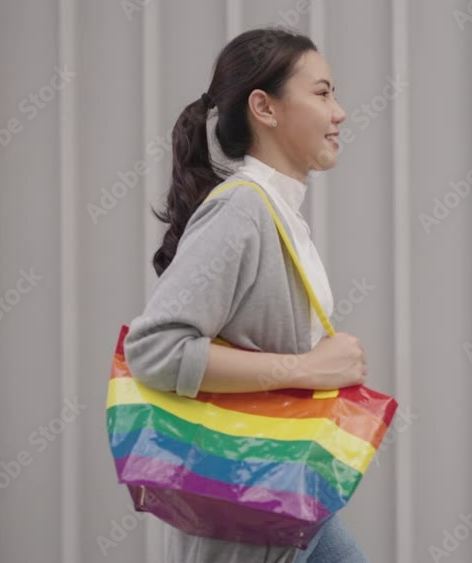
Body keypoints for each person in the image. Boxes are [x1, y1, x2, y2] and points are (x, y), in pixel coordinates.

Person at [122, 27, 369, 563]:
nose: (340, 112)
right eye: (322, 93)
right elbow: (154, 349)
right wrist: (308, 369)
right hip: (249, 517)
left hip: (288, 500)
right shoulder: (241, 209)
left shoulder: (275, 212)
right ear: (265, 108)